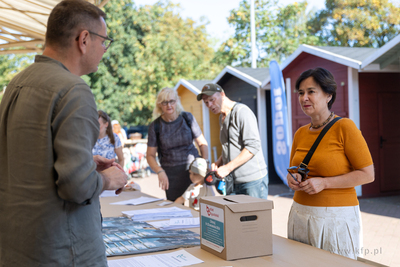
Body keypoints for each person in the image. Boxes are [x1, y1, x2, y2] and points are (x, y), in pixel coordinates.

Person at [0, 0, 127, 266]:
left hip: (18, 245)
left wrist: (86, 162)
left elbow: (24, 158)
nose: (105, 49)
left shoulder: (17, 83)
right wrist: (108, 179)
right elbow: (76, 187)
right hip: (64, 249)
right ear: (83, 39)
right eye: (104, 41)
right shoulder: (73, 90)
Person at [286, 67, 374, 259]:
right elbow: (295, 169)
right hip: (299, 215)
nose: (304, 98)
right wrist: (292, 178)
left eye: (311, 91)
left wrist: (324, 183)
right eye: (301, 93)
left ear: (328, 95)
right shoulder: (300, 133)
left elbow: (368, 174)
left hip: (336, 219)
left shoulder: (345, 127)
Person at [197, 83, 268, 199]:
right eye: (206, 102)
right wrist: (219, 162)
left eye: (212, 100)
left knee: (255, 217)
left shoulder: (242, 112)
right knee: (235, 217)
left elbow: (253, 146)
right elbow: (231, 145)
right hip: (233, 182)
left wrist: (227, 168)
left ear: (222, 95)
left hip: (252, 181)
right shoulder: (222, 117)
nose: (209, 105)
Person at [147, 87, 209, 201]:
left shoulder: (187, 118)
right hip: (171, 175)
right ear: (159, 105)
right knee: (176, 209)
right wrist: (159, 171)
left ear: (177, 101)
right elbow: (150, 155)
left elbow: (202, 144)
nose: (169, 105)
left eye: (172, 101)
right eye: (165, 102)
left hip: (194, 171)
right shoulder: (155, 126)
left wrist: (204, 168)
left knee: (197, 207)